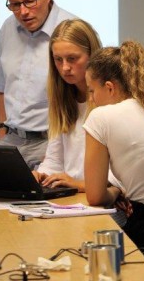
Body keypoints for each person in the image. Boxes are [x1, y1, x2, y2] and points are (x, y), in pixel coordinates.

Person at [83, 40, 144, 268]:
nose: (91, 100)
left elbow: (95, 196)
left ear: (109, 87)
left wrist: (116, 190)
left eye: (92, 91)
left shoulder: (102, 118)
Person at [0, 0, 76, 169]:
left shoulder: (72, 29)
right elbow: (1, 86)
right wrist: (2, 131)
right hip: (11, 141)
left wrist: (60, 149)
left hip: (53, 142)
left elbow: (86, 96)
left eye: (29, 1)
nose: (23, 12)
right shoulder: (8, 28)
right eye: (14, 4)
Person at [33, 19, 123, 206]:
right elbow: (54, 160)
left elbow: (120, 174)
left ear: (92, 56)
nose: (65, 68)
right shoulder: (62, 99)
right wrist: (41, 175)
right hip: (72, 198)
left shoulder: (111, 97)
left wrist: (81, 185)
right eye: (58, 60)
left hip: (103, 201)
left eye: (72, 59)